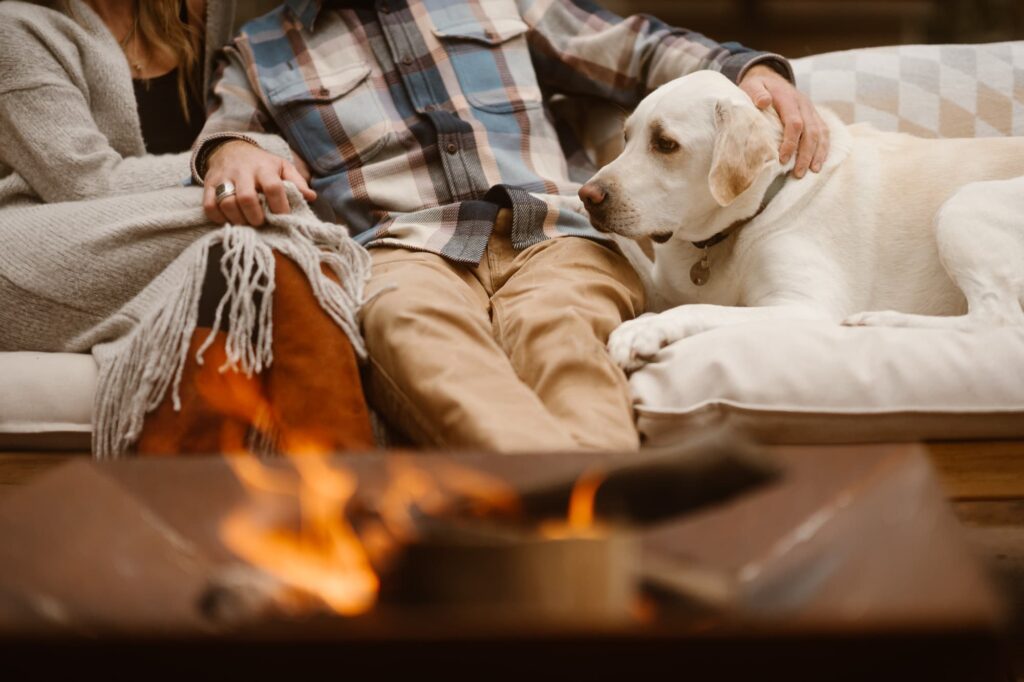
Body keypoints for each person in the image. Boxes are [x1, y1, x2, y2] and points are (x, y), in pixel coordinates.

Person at [192, 0, 830, 453]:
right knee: (414, 333)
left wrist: (747, 69)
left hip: (554, 232)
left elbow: (635, 49)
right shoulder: (259, 53)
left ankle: (568, 522)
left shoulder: (504, 4)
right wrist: (231, 152)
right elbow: (227, 136)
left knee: (562, 333)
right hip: (404, 247)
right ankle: (592, 514)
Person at [0, 0, 375, 456]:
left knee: (251, 239)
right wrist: (224, 159)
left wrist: (246, 157)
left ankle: (201, 495)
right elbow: (83, 184)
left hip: (166, 249)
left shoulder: (196, 21)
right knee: (262, 212)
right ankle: (352, 487)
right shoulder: (13, 27)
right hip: (28, 254)